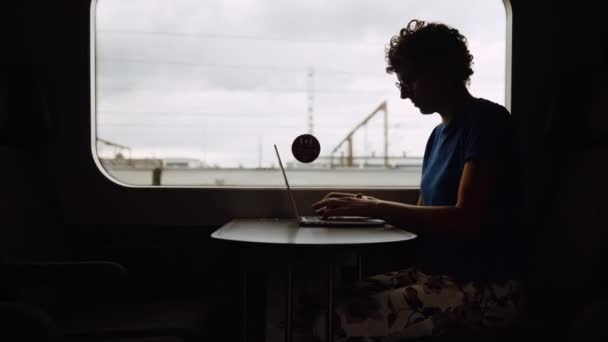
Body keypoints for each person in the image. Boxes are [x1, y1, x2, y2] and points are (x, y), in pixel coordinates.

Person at [311, 19, 525, 341]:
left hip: (483, 286)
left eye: (408, 81)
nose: (403, 94)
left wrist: (378, 208)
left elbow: (466, 220)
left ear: (440, 72)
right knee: (315, 298)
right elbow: (423, 219)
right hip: (436, 275)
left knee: (332, 322)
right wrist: (363, 209)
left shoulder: (487, 122)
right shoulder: (436, 136)